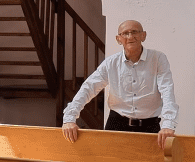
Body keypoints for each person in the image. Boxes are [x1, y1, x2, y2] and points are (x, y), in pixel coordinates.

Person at [61, 19, 178, 150]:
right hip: (116, 125)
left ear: (143, 35)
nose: (130, 37)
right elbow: (88, 88)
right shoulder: (111, 63)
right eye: (125, 33)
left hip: (149, 127)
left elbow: (167, 90)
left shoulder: (158, 59)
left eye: (135, 32)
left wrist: (168, 125)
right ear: (118, 39)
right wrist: (69, 118)